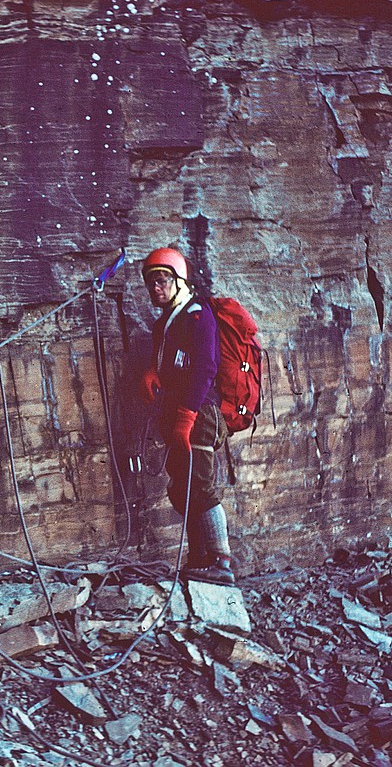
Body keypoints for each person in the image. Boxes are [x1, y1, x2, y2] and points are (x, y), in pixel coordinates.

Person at [139, 247, 235, 586]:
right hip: (177, 411)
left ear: (179, 280)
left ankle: (221, 562)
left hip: (199, 413)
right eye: (151, 283)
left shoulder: (197, 314)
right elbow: (169, 357)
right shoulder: (168, 320)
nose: (156, 288)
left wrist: (187, 416)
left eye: (162, 280)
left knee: (201, 485)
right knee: (182, 488)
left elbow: (206, 366)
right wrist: (153, 369)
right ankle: (199, 559)